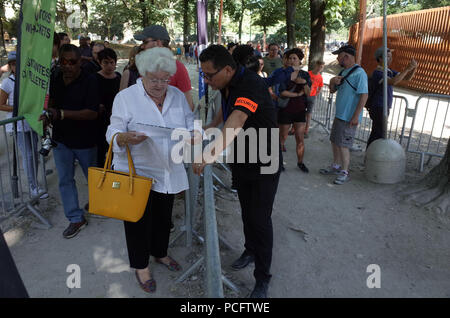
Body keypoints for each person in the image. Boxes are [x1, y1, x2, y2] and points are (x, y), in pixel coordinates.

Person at [195, 45, 281, 298]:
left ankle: (262, 279)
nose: (206, 80)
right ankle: (250, 249)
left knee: (260, 219)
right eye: (204, 75)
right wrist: (211, 126)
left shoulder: (251, 84)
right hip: (242, 157)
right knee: (246, 211)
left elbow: (238, 118)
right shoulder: (226, 84)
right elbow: (227, 110)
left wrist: (210, 154)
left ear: (229, 69)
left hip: (265, 161)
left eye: (209, 75)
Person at [106, 47, 195, 293]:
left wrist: (194, 134)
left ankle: (160, 253)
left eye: (164, 79)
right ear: (142, 75)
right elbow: (112, 131)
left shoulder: (176, 95)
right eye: (153, 79)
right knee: (137, 220)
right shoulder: (126, 98)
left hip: (168, 169)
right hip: (137, 170)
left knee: (163, 218)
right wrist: (123, 138)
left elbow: (189, 121)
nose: (159, 84)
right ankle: (141, 266)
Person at [41, 44, 100, 238]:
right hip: (61, 140)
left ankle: (100, 205)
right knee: (65, 180)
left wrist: (62, 114)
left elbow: (92, 112)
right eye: (62, 62)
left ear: (80, 62)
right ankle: (76, 218)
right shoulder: (55, 77)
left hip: (85, 141)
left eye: (71, 62)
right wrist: (49, 115)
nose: (67, 66)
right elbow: (53, 105)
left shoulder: (91, 80)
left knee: (93, 178)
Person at [0, 52, 48, 199]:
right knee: (27, 155)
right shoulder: (8, 82)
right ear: (10, 66)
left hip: (32, 122)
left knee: (34, 153)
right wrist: (18, 110)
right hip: (17, 125)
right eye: (14, 64)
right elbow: (1, 105)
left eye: (19, 63)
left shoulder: (30, 80)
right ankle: (33, 187)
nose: (16, 66)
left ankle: (35, 183)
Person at [320, 45, 368, 184]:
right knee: (335, 140)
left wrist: (355, 116)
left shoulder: (360, 73)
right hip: (340, 114)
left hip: (349, 117)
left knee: (343, 145)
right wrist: (331, 81)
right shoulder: (344, 71)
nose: (337, 58)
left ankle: (344, 171)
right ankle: (336, 165)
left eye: (339, 56)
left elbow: (364, 95)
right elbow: (332, 90)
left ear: (346, 56)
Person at [134, 25, 195, 112]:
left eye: (145, 42)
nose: (142, 46)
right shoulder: (145, 66)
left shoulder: (178, 68)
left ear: (158, 43)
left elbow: (188, 106)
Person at [366, 47, 417, 147]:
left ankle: (371, 154)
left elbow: (406, 78)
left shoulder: (388, 71)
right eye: (388, 56)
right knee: (378, 133)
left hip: (383, 106)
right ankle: (371, 154)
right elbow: (393, 81)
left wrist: (413, 68)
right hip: (378, 106)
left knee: (377, 132)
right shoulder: (378, 73)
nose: (390, 59)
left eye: (390, 56)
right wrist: (407, 68)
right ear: (380, 59)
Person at [278, 48, 312, 173]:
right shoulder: (283, 73)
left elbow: (308, 93)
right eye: (290, 58)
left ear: (299, 61)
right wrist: (297, 95)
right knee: (282, 137)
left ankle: (300, 162)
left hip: (300, 110)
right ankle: (279, 162)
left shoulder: (305, 75)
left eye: (294, 58)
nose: (292, 61)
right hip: (285, 109)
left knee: (300, 138)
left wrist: (303, 83)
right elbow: (282, 92)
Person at [95, 48, 121, 167]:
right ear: (100, 63)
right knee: (101, 150)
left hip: (115, 118)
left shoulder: (119, 77)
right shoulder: (94, 78)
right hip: (100, 121)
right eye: (106, 62)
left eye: (112, 62)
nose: (109, 66)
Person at [306, 60, 325, 137]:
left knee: (309, 113)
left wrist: (316, 94)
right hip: (304, 95)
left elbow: (320, 87)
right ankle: (294, 128)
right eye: (319, 66)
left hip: (312, 97)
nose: (319, 68)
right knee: (299, 112)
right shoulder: (308, 74)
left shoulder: (320, 77)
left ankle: (306, 130)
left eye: (321, 67)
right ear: (316, 65)